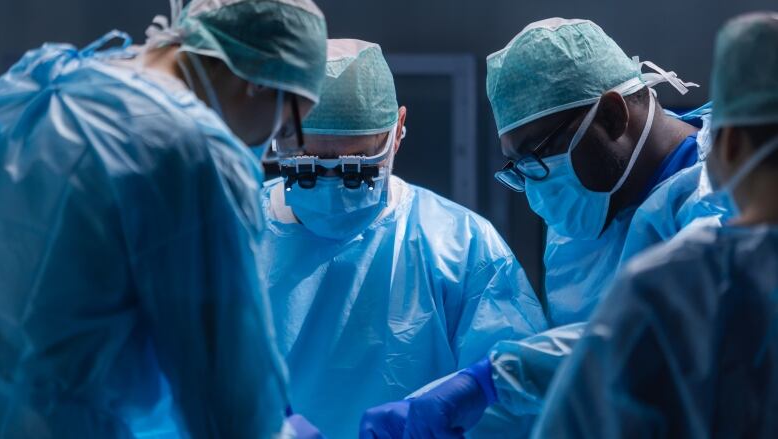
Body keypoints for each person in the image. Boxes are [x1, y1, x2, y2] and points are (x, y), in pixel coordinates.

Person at [359, 18, 729, 437]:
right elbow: (570, 376)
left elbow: (668, 338)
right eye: (518, 167)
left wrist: (488, 382)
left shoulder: (724, 194)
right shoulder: (587, 208)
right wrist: (450, 410)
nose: (536, 190)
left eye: (538, 156)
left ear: (611, 115)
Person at [0, 0, 327, 437]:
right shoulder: (187, 151)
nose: (268, 144)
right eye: (288, 124)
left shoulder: (35, 84)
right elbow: (230, 403)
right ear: (260, 82)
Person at [261, 38, 548, 439]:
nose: (330, 188)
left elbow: (518, 399)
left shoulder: (461, 245)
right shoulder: (233, 234)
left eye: (355, 171)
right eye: (306, 169)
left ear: (397, 131)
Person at [532, 11, 778, 438]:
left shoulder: (684, 284)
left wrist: (496, 376)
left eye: (542, 154)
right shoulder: (580, 233)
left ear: (731, 140)